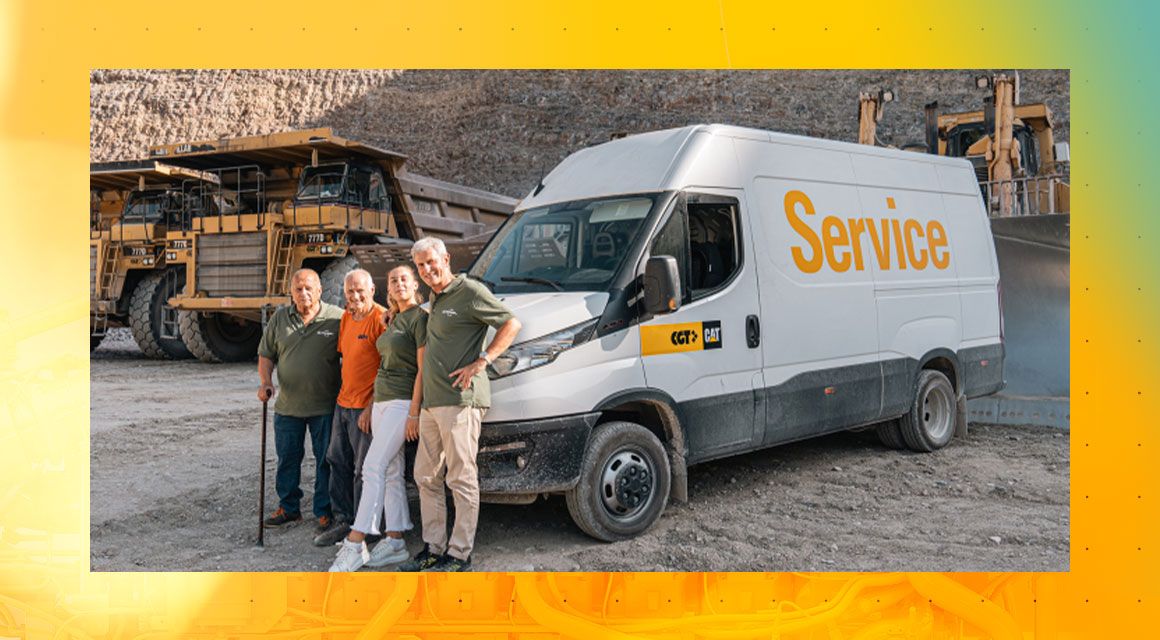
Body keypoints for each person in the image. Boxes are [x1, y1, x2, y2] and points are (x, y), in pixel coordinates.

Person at [398, 237, 522, 572]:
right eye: (420, 265)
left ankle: (459, 554)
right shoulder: (435, 298)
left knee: (461, 478)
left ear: (446, 258)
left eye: (430, 262)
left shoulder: (470, 292)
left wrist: (483, 360)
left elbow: (511, 322)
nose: (426, 270)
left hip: (460, 401)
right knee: (425, 476)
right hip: (432, 402)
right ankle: (435, 548)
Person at [329, 264, 427, 571]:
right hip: (382, 400)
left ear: (415, 285)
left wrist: (414, 412)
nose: (399, 284)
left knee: (372, 466)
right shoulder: (393, 318)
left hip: (400, 401)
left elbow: (423, 369)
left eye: (405, 280)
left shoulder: (420, 319)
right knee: (391, 471)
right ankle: (395, 540)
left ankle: (356, 542)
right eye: (394, 280)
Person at [258, 269, 343, 534]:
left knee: (325, 461)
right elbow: (266, 354)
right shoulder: (280, 318)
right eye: (298, 289)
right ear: (291, 292)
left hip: (325, 407)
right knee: (288, 459)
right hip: (288, 407)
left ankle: (323, 510)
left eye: (308, 288)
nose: (303, 293)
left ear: (320, 290)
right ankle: (289, 507)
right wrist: (266, 382)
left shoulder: (337, 318)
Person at [314, 269, 387, 547]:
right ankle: (343, 520)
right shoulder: (346, 317)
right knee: (337, 461)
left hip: (365, 407)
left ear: (372, 291)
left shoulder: (380, 319)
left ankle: (366, 526)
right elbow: (348, 359)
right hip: (343, 404)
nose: (355, 296)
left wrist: (371, 407)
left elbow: (388, 367)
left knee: (363, 469)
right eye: (350, 292)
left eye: (360, 291)